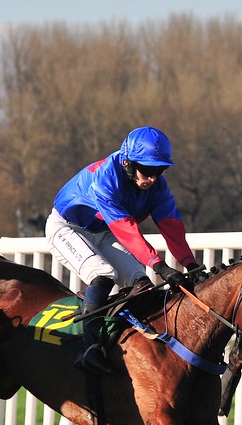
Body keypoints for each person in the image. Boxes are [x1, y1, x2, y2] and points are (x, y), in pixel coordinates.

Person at [46, 126, 201, 374]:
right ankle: (89, 347)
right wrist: (160, 266)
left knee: (141, 283)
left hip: (104, 231)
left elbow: (171, 226)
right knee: (103, 273)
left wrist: (190, 263)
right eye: (147, 170)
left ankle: (126, 344)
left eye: (159, 171)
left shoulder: (157, 187)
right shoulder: (106, 178)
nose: (152, 178)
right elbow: (127, 230)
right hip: (68, 228)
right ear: (127, 163)